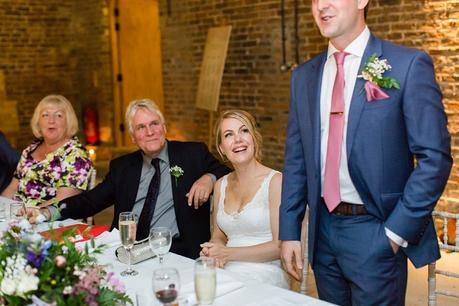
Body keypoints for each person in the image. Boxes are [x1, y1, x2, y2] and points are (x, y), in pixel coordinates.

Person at [279, 1, 452, 305]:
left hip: (375, 231)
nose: (322, 6)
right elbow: (296, 160)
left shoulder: (407, 65)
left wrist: (395, 234)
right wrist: (290, 231)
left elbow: (434, 158)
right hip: (323, 232)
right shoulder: (304, 76)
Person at [28, 98, 229, 259]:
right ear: (133, 137)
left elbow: (228, 172)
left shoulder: (193, 154)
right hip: (126, 248)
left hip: (177, 251)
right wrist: (48, 212)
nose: (149, 132)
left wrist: (209, 178)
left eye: (154, 124)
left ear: (164, 127)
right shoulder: (122, 167)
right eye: (141, 127)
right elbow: (90, 201)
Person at [200, 110, 288, 288]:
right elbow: (218, 235)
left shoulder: (276, 181)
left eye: (244, 131)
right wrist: (214, 249)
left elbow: (280, 247)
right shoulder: (220, 186)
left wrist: (227, 253)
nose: (238, 139)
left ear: (254, 138)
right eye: (229, 135)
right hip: (226, 270)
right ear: (221, 148)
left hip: (266, 273)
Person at [1, 95, 93, 207]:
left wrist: (28, 215)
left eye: (59, 115)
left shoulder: (76, 155)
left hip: (54, 220)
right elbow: (12, 188)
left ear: (68, 122)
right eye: (45, 115)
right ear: (38, 122)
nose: (51, 121)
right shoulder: (30, 150)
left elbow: (63, 201)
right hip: (18, 218)